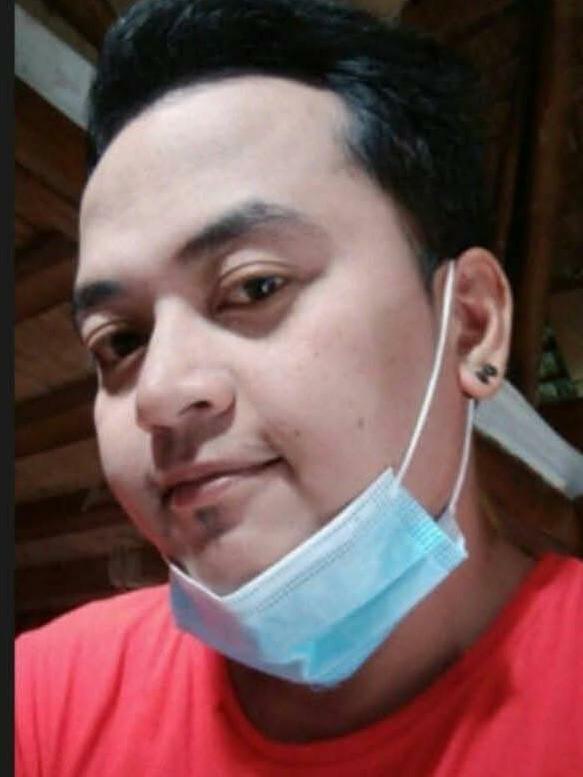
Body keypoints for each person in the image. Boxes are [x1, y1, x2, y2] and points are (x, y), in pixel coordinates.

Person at [15, 1, 583, 774]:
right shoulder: (48, 701)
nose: (157, 392)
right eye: (118, 341)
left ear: (470, 326)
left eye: (254, 286)